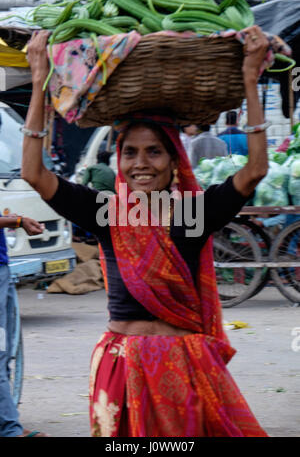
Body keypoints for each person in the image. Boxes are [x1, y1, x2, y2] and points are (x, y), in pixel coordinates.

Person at [22, 26, 269, 437]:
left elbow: (255, 170)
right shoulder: (104, 212)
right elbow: (33, 173)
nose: (141, 163)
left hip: (184, 366)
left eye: (154, 151)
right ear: (118, 161)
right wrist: (37, 81)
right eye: (130, 152)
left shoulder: (196, 212)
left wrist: (249, 80)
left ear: (175, 162)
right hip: (122, 365)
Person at [0, 213, 47, 437]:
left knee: (6, 352)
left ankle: (8, 423)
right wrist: (16, 222)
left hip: (3, 270)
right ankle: (10, 429)